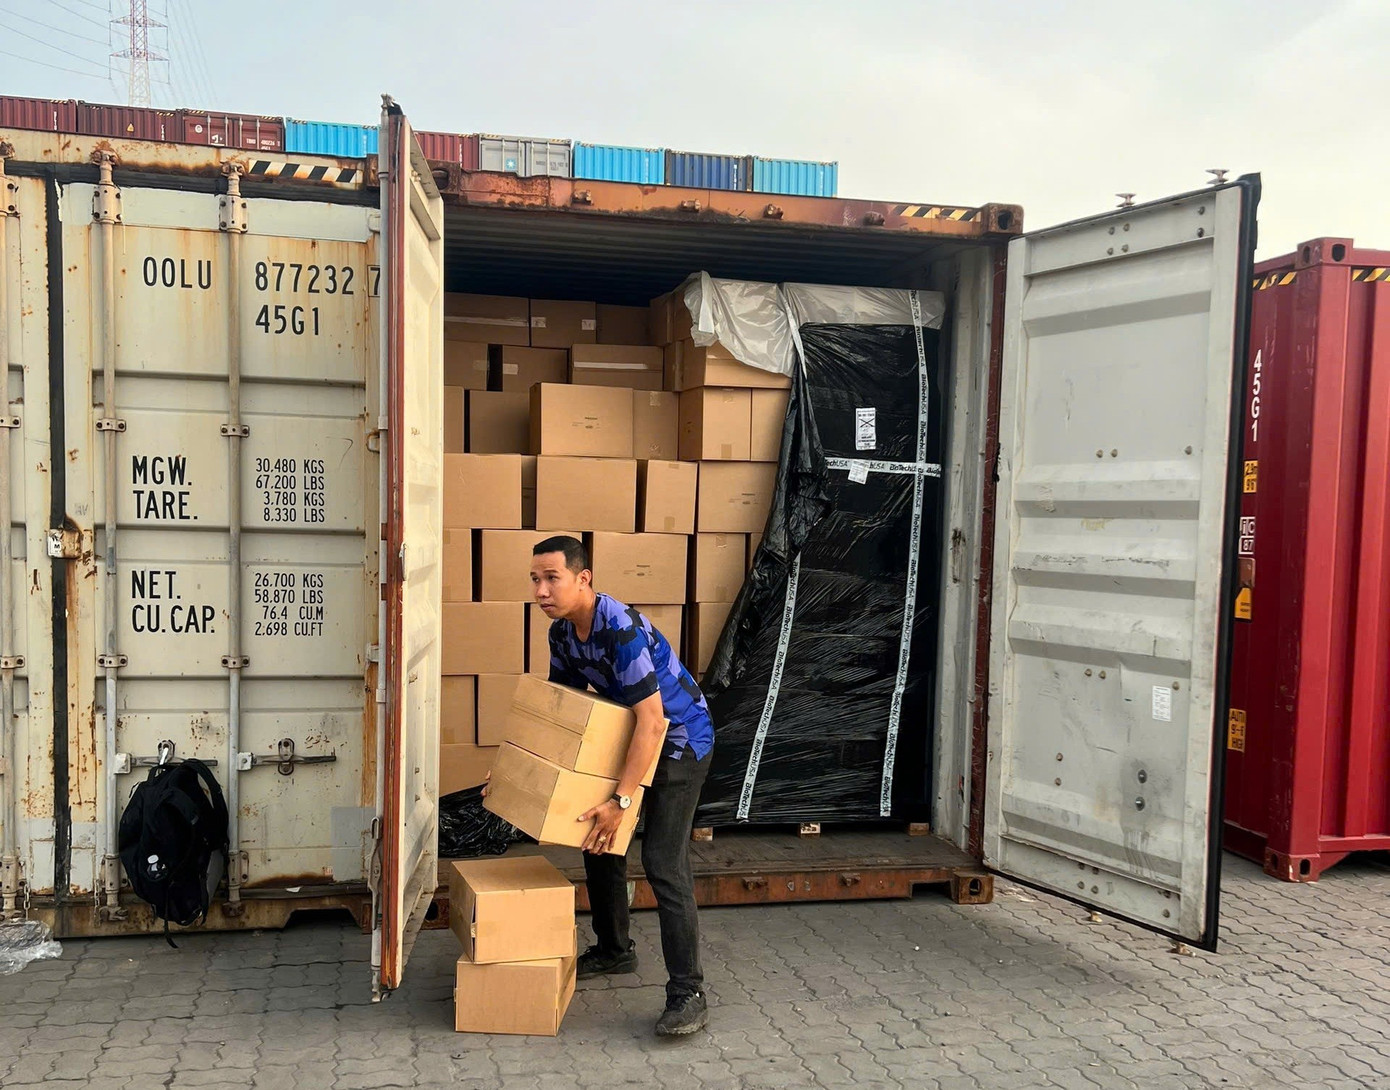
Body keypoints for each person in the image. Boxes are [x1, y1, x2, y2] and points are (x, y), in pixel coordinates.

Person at [529, 534, 715, 1037]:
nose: (541, 591)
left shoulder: (620, 630)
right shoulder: (562, 633)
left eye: (552, 578)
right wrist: (518, 767)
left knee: (662, 862)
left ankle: (689, 992)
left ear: (583, 578)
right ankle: (614, 950)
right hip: (628, 735)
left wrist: (622, 798)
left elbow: (654, 722)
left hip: (680, 741)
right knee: (598, 837)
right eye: (536, 580)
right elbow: (566, 712)